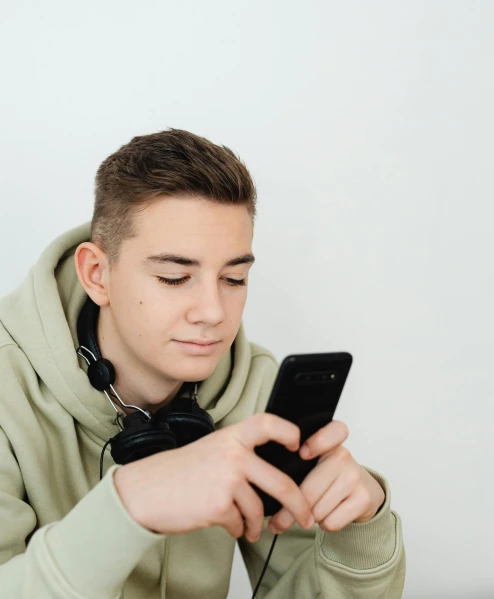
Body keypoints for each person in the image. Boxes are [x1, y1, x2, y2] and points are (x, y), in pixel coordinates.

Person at [0, 128, 406, 598]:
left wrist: (362, 534)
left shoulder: (257, 391)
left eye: (234, 278)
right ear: (97, 274)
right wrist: (131, 504)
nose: (214, 312)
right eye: (175, 278)